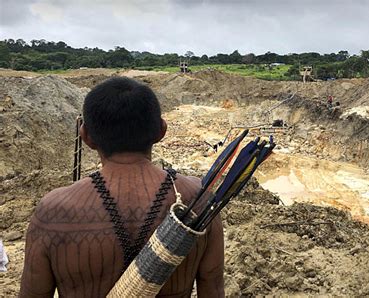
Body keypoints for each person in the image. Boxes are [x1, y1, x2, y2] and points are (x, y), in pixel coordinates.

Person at [19, 77, 224, 297]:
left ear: (86, 136)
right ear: (161, 131)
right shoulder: (199, 200)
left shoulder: (52, 212)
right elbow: (212, 289)